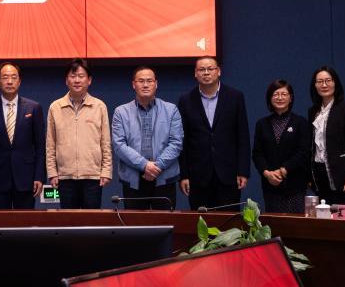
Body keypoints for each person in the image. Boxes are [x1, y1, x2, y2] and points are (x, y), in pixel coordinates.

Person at [177, 56, 250, 210]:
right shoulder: (186, 100)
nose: (206, 73)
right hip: (198, 176)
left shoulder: (235, 97)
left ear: (219, 71)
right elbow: (183, 140)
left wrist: (243, 171)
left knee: (229, 222)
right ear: (195, 73)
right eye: (201, 69)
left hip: (228, 174)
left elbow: (242, 136)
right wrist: (183, 175)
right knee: (201, 221)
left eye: (210, 69)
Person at [111, 66, 182, 210]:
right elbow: (119, 145)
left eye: (149, 81)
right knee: (135, 223)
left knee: (164, 222)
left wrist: (157, 166)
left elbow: (176, 143)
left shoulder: (171, 110)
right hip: (133, 179)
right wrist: (144, 165)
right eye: (141, 81)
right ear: (134, 84)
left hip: (163, 177)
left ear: (156, 84)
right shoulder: (121, 112)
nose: (145, 85)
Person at [0, 62, 45, 209]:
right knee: (0, 222)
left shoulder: (34, 108)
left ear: (19, 81)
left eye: (14, 77)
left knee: (25, 221)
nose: (9, 81)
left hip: (26, 178)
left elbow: (40, 147)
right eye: (5, 77)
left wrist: (39, 176)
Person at [46, 58, 111, 209]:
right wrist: (52, 172)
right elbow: (50, 144)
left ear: (89, 80)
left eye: (81, 76)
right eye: (73, 76)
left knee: (92, 221)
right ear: (66, 80)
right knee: (68, 220)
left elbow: (106, 142)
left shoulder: (99, 106)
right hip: (65, 176)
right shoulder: (55, 107)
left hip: (93, 176)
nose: (77, 80)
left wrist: (106, 171)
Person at [251, 79, 312, 214]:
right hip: (270, 185)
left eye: (284, 94)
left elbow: (303, 152)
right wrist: (267, 173)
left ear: (290, 98)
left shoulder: (300, 122)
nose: (280, 98)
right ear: (270, 98)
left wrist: (284, 170)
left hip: (295, 185)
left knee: (294, 223)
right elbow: (257, 154)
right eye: (276, 94)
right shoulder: (262, 124)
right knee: (274, 223)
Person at [308, 65, 345, 206]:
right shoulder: (313, 111)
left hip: (341, 174)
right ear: (315, 86)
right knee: (322, 215)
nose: (324, 85)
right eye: (319, 81)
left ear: (336, 83)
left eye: (328, 80)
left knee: (342, 216)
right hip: (319, 173)